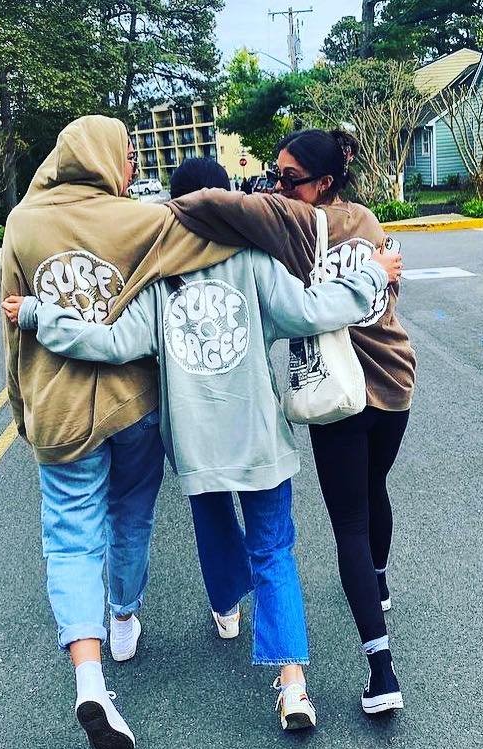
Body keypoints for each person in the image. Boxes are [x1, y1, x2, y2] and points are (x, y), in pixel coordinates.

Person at [3, 156, 396, 734]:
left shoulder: (160, 278)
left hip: (194, 443)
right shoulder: (256, 261)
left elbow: (112, 342)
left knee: (214, 527)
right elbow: (314, 311)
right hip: (259, 437)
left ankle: (225, 609)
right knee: (275, 552)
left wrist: (40, 314)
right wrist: (372, 275)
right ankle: (293, 688)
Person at [161, 129, 415, 716]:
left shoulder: (293, 226)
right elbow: (389, 285)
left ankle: (381, 670)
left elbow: (218, 205)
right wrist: (377, 271)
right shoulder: (370, 223)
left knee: (344, 524)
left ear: (320, 184)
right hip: (396, 381)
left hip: (337, 393)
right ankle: (375, 586)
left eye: (287, 178)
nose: (276, 187)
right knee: (373, 495)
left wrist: (163, 215)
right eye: (274, 176)